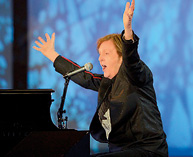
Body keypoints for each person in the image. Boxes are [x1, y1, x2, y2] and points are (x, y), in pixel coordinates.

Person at [33, 0, 168, 156]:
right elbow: (84, 77)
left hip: (147, 150)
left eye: (106, 53)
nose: (100, 59)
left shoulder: (137, 76)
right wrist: (52, 54)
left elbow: (132, 60)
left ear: (121, 56)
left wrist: (128, 30)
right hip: (119, 150)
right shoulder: (107, 82)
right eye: (99, 54)